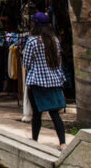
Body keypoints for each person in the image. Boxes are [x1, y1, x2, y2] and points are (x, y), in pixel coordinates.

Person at [22, 12, 67, 151]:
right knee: (55, 114)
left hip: (37, 81)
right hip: (54, 80)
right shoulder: (55, 40)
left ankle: (35, 140)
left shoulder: (32, 41)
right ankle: (63, 143)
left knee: (37, 114)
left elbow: (26, 62)